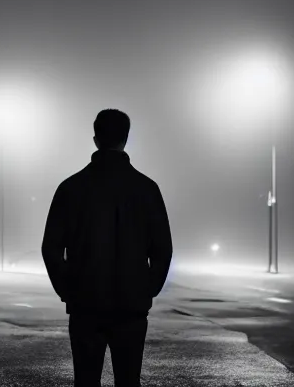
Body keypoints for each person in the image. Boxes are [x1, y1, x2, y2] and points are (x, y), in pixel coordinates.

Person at [42, 109, 173, 387]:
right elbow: (163, 250)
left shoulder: (70, 188)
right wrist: (146, 290)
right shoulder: (147, 189)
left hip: (85, 304)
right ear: (126, 139)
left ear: (95, 139)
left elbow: (51, 248)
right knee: (128, 381)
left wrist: (69, 290)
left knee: (86, 381)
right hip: (131, 307)